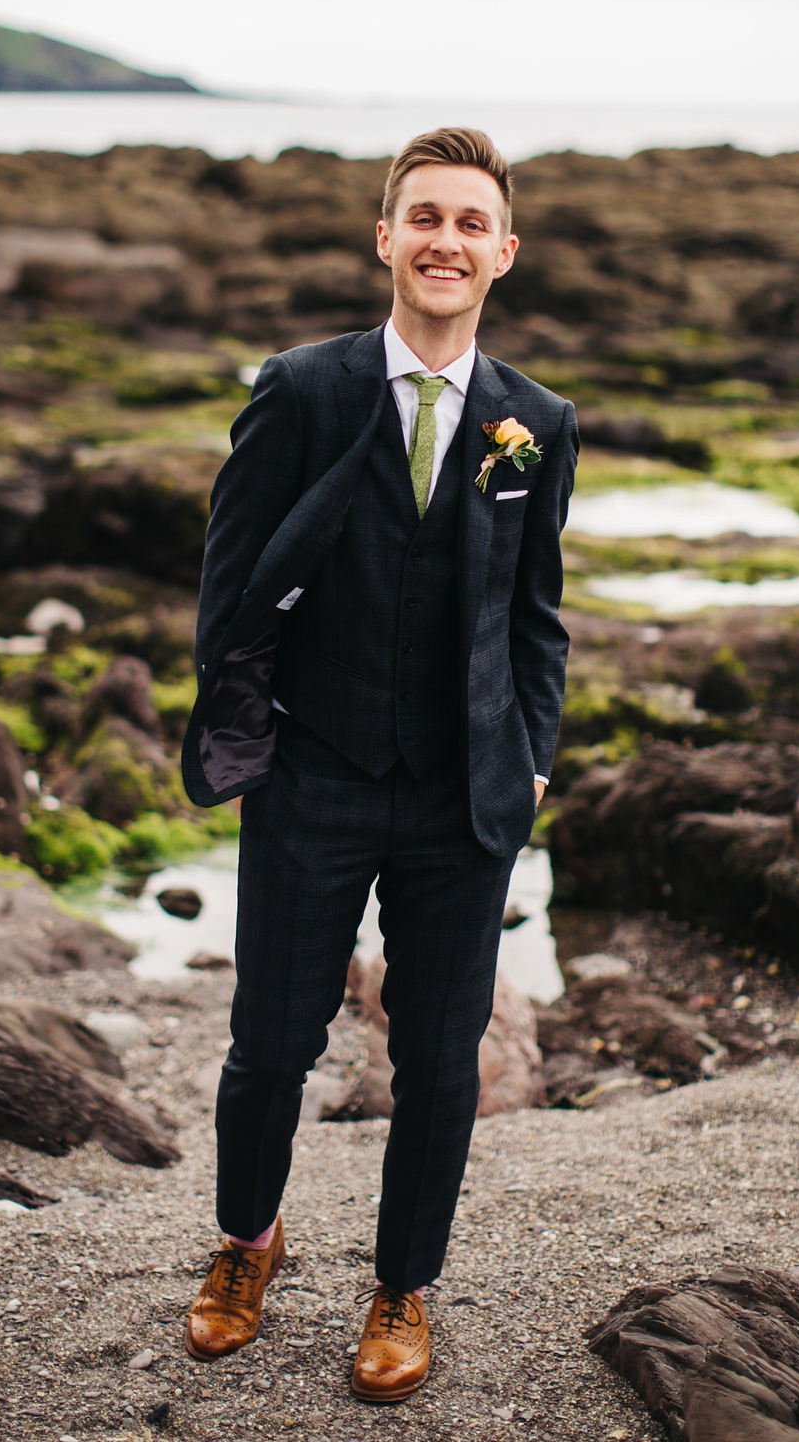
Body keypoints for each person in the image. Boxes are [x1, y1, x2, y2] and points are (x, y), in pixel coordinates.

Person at [179, 127, 578, 1402]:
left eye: (471, 223)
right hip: (314, 776)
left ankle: (403, 1286)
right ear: (384, 236)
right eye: (425, 218)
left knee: (441, 1054)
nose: (445, 242)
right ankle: (248, 1243)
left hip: (466, 793)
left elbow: (537, 615)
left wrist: (533, 761)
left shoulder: (536, 425)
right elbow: (228, 583)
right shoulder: (301, 390)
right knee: (270, 1043)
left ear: (502, 252)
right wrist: (248, 736)